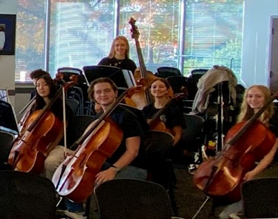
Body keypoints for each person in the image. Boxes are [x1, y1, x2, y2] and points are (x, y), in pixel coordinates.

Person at [53, 78, 147, 215]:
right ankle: (75, 212)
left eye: (107, 90)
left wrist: (113, 170)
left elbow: (133, 151)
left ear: (115, 93)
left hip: (132, 166)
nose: (103, 94)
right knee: (71, 177)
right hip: (107, 163)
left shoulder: (127, 117)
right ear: (94, 97)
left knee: (101, 185)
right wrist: (75, 154)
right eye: (99, 92)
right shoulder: (100, 117)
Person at [217, 85, 278, 219]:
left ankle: (242, 212)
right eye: (250, 96)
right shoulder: (245, 119)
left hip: (272, 165)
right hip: (249, 160)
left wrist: (254, 172)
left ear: (266, 99)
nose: (253, 100)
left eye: (258, 96)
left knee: (252, 182)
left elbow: (269, 155)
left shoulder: (274, 123)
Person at [19, 70, 72, 179]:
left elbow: (61, 133)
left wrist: (48, 150)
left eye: (45, 84)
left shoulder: (61, 107)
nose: (41, 88)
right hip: (39, 142)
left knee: (49, 163)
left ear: (51, 86)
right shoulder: (37, 105)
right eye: (38, 85)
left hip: (57, 144)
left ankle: (50, 189)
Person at [143, 78, 184, 144]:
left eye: (161, 87)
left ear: (167, 90)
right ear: (150, 90)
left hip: (168, 145)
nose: (157, 89)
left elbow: (178, 135)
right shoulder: (146, 109)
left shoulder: (174, 109)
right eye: (154, 87)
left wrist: (166, 149)